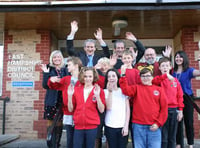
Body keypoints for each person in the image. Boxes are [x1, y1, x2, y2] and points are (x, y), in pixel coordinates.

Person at [119, 67, 168, 148]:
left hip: (154, 126)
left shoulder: (159, 90)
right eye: (143, 76)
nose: (146, 78)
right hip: (138, 126)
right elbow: (125, 90)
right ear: (140, 78)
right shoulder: (136, 88)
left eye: (148, 76)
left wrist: (158, 123)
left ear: (152, 77)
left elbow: (164, 109)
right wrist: (123, 76)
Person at [47, 56, 82, 148]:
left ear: (76, 66)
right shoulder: (66, 79)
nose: (67, 67)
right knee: (70, 137)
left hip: (80, 113)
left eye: (69, 65)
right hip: (68, 112)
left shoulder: (84, 79)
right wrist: (51, 80)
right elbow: (54, 86)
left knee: (79, 138)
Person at [68, 67, 106, 148]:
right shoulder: (76, 90)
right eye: (85, 76)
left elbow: (102, 110)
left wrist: (97, 96)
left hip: (92, 126)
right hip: (78, 126)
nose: (87, 79)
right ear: (82, 77)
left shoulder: (99, 90)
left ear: (93, 77)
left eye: (90, 76)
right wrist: (69, 96)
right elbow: (70, 109)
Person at [152, 57, 184, 148]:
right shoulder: (158, 80)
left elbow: (180, 96)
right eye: (163, 66)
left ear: (170, 67)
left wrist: (180, 110)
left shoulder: (175, 81)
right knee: (163, 136)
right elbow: (154, 81)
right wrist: (166, 76)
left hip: (174, 110)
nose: (165, 67)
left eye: (167, 65)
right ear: (159, 68)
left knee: (172, 136)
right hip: (162, 110)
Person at [40, 50, 69, 148]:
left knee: (59, 122)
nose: (57, 59)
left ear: (62, 58)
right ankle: (51, 144)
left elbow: (68, 82)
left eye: (58, 57)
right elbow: (44, 85)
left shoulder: (66, 69)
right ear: (52, 59)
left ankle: (57, 143)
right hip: (52, 100)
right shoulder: (48, 68)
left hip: (62, 100)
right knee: (51, 122)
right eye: (54, 57)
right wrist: (48, 77)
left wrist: (61, 80)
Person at [172, 51, 200, 148]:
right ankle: (179, 143)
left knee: (188, 121)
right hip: (175, 99)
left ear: (184, 59)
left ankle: (190, 143)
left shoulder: (189, 70)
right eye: (176, 57)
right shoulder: (172, 72)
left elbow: (198, 72)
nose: (178, 59)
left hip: (187, 98)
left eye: (180, 57)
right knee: (178, 122)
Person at [104, 68, 130, 148]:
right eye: (109, 76)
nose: (111, 78)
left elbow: (127, 110)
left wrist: (126, 126)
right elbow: (108, 107)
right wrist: (110, 92)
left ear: (117, 77)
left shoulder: (123, 91)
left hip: (122, 125)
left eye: (113, 76)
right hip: (110, 125)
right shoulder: (104, 91)